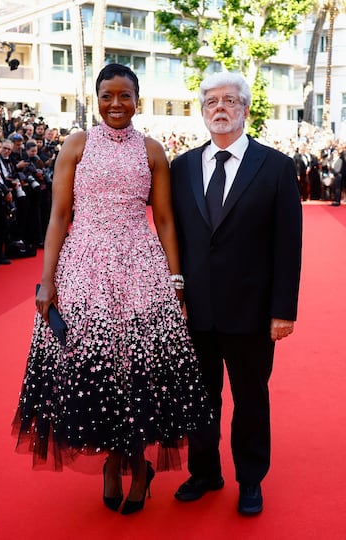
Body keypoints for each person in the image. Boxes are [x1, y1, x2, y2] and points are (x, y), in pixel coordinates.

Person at [12, 64, 216, 515]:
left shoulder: (152, 151)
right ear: (97, 99)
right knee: (94, 367)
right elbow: (58, 216)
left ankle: (138, 463)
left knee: (141, 369)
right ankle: (112, 460)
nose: (116, 104)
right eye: (107, 96)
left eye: (125, 96)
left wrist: (175, 280)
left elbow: (163, 219)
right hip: (83, 266)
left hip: (141, 267)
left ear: (137, 100)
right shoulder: (76, 144)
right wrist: (48, 280)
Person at [170, 71, 302, 515]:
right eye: (211, 101)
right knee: (200, 398)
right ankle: (205, 472)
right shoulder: (182, 166)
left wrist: (283, 311)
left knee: (250, 399)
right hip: (196, 313)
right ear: (203, 111)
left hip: (251, 311)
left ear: (245, 109)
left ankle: (250, 480)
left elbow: (289, 245)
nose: (220, 108)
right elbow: (177, 237)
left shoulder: (277, 167)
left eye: (229, 100)